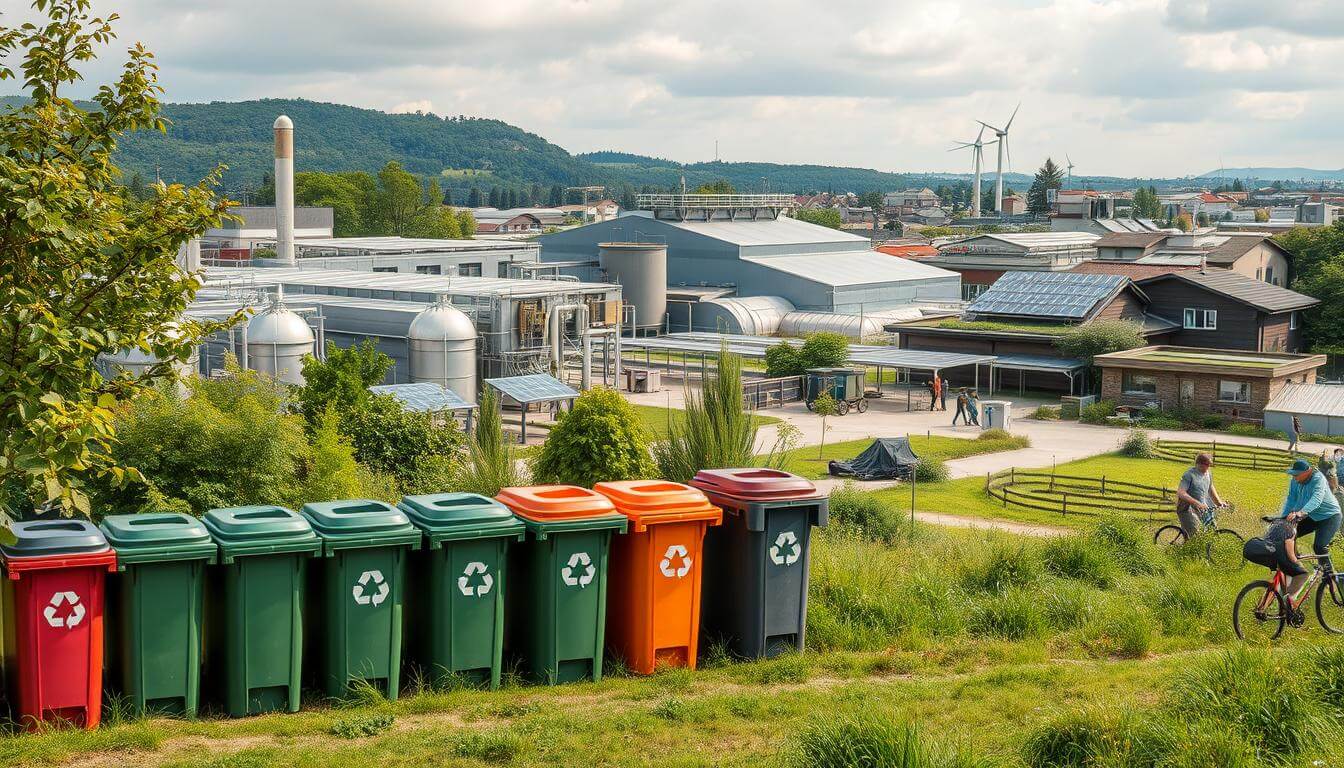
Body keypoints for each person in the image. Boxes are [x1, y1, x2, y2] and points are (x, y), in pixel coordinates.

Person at [1279, 458, 1343, 565]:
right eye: (1293, 475)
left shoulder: (1318, 479)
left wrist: (1301, 512)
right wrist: (1283, 518)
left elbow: (1317, 498)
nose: (1294, 478)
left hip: (1330, 517)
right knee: (1288, 534)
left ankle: (1329, 574)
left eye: (1296, 475)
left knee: (1319, 546)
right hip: (1312, 516)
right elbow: (1291, 499)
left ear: (1307, 472)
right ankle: (1295, 564)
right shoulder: (1295, 481)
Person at [1243, 515, 1308, 619]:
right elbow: (1291, 555)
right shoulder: (1291, 530)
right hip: (1278, 556)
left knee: (1282, 574)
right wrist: (1298, 563)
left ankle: (1266, 605)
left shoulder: (1276, 525)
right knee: (1303, 574)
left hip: (1266, 552)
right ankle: (1289, 602)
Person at [1175, 452, 1223, 538]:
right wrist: (1196, 503)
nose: (1209, 467)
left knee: (1213, 531)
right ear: (1199, 464)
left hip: (1202, 509)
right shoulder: (1189, 475)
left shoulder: (1208, 474)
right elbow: (1181, 493)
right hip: (1186, 509)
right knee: (1195, 535)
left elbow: (1210, 488)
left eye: (1209, 465)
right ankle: (1186, 550)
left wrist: (1219, 503)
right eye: (1207, 464)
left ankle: (1210, 550)